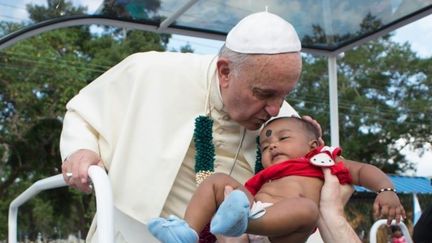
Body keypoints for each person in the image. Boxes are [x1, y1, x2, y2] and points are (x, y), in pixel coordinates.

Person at [59, 11, 376, 243]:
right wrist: (81, 150)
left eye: (284, 95)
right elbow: (84, 115)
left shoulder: (284, 124)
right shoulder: (151, 70)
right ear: (225, 72)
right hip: (134, 233)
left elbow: (305, 199)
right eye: (264, 94)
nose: (275, 109)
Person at [147, 117, 405, 242]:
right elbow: (240, 191)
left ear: (313, 144)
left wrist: (385, 189)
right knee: (218, 180)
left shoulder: (322, 160)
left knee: (307, 208)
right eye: (266, 144)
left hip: (284, 232)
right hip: (249, 214)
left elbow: (362, 170)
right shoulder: (264, 175)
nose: (272, 146)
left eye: (283, 139)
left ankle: (241, 222)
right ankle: (186, 231)